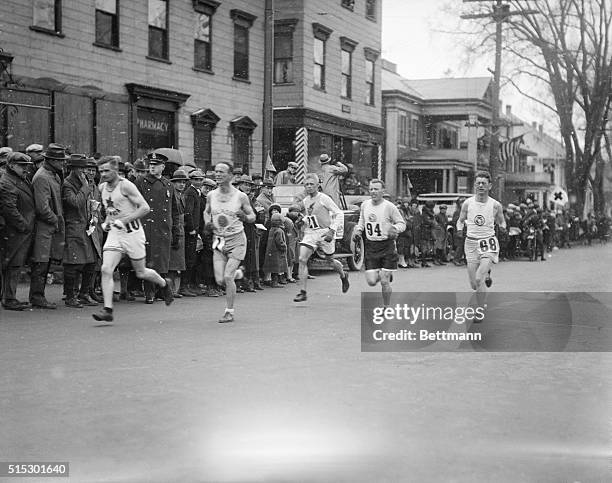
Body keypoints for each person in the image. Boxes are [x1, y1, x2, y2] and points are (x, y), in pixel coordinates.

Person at [92, 157, 173, 323]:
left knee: (141, 272)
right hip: (116, 233)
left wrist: (125, 220)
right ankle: (108, 309)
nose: (104, 174)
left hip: (133, 233)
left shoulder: (126, 186)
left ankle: (164, 284)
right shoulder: (102, 188)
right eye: (101, 171)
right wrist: (106, 223)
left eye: (107, 171)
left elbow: (145, 208)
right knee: (106, 269)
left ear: (115, 171)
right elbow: (111, 210)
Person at [203, 162, 256, 323]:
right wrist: (207, 223)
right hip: (218, 241)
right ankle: (238, 274)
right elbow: (206, 212)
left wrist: (245, 217)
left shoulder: (240, 196)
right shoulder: (211, 195)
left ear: (231, 176)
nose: (218, 174)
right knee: (220, 280)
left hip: (237, 240)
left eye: (222, 172)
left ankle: (229, 311)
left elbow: (253, 216)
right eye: (216, 172)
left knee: (227, 276)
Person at [293, 173, 350, 302]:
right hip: (312, 233)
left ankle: (343, 275)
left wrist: (332, 230)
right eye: (306, 184)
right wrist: (303, 221)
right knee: (302, 258)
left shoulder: (324, 198)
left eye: (311, 184)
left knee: (330, 261)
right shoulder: (306, 201)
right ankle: (303, 292)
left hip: (325, 232)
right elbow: (312, 217)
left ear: (317, 185)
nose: (309, 187)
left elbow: (339, 213)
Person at [456, 171, 506, 316]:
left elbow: (502, 221)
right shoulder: (468, 203)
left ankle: (480, 309)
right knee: (474, 284)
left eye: (484, 183)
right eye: (478, 183)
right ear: (474, 186)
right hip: (470, 243)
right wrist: (459, 230)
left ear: (489, 186)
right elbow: (460, 220)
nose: (481, 186)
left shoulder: (495, 205)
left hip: (487, 242)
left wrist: (503, 228)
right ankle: (487, 273)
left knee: (478, 278)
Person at [134, 152, 179, 303]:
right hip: (147, 226)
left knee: (162, 260)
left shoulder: (168, 184)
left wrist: (175, 231)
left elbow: (174, 210)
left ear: (163, 167)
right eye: (151, 165)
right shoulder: (141, 181)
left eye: (156, 165)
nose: (152, 168)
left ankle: (159, 290)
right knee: (150, 260)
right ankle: (149, 292)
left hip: (163, 227)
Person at [353, 179, 406, 307]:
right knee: (371, 282)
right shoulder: (365, 205)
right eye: (371, 189)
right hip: (371, 246)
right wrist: (358, 230)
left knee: (384, 281)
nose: (373, 192)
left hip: (387, 246)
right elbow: (362, 220)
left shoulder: (389, 207)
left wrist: (395, 229)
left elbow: (402, 223)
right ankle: (385, 275)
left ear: (383, 191)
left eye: (376, 189)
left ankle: (386, 306)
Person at [30, 143, 67, 309]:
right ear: (50, 160)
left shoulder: (53, 175)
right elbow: (42, 207)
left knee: (45, 261)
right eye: (59, 160)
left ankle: (38, 295)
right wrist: (55, 220)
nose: (62, 163)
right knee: (41, 262)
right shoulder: (42, 177)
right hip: (44, 227)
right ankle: (37, 296)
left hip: (50, 226)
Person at [61, 154, 100, 308]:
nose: (85, 171)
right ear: (74, 169)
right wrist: (85, 187)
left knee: (91, 262)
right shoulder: (68, 184)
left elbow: (86, 202)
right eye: (82, 168)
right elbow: (75, 203)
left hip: (87, 227)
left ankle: (84, 293)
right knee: (72, 264)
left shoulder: (87, 183)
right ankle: (70, 296)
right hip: (74, 228)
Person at [0, 153, 36, 310]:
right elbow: (9, 209)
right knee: (13, 264)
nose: (26, 169)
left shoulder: (16, 179)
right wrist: (24, 225)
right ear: (12, 165)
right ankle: (9, 298)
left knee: (15, 264)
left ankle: (9, 296)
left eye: (27, 166)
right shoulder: (7, 182)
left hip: (19, 230)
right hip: (14, 231)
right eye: (22, 166)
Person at [168, 169, 187, 297]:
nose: (181, 184)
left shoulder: (181, 195)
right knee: (172, 263)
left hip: (181, 229)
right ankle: (170, 290)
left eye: (183, 182)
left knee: (177, 263)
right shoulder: (173, 195)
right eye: (179, 182)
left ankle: (173, 289)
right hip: (174, 229)